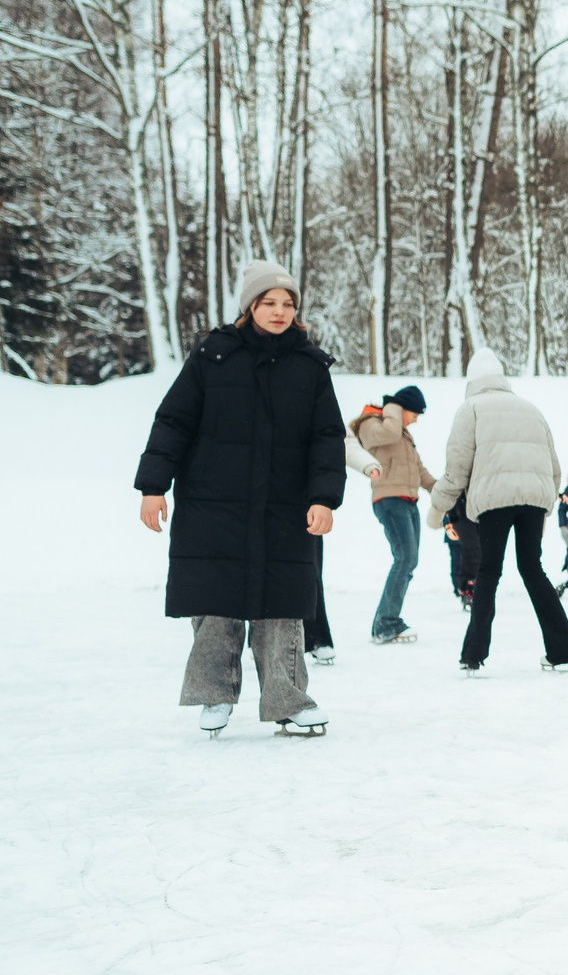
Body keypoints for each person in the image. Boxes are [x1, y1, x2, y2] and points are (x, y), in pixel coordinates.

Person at [134, 260, 343, 737]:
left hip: (283, 507)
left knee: (282, 609)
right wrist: (152, 486)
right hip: (214, 504)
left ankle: (288, 701)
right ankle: (214, 696)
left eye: (288, 303)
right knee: (215, 605)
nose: (280, 311)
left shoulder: (310, 366)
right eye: (269, 302)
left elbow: (326, 438)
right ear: (250, 306)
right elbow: (174, 421)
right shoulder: (214, 355)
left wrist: (324, 497)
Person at [427, 348, 568, 674]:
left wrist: (437, 509)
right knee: (532, 568)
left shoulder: (470, 408)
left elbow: (456, 471)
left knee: (488, 572)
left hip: (494, 502)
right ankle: (565, 651)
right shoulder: (530, 409)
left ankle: (473, 654)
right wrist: (546, 504)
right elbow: (553, 466)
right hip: (534, 501)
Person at [352, 383, 435, 643]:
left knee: (409, 561)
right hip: (389, 500)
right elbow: (387, 434)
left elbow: (419, 471)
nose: (416, 420)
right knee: (404, 558)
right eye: (415, 414)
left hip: (408, 501)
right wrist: (392, 409)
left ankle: (384, 622)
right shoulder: (373, 424)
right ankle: (386, 623)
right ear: (403, 409)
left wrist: (444, 491)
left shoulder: (404, 434)